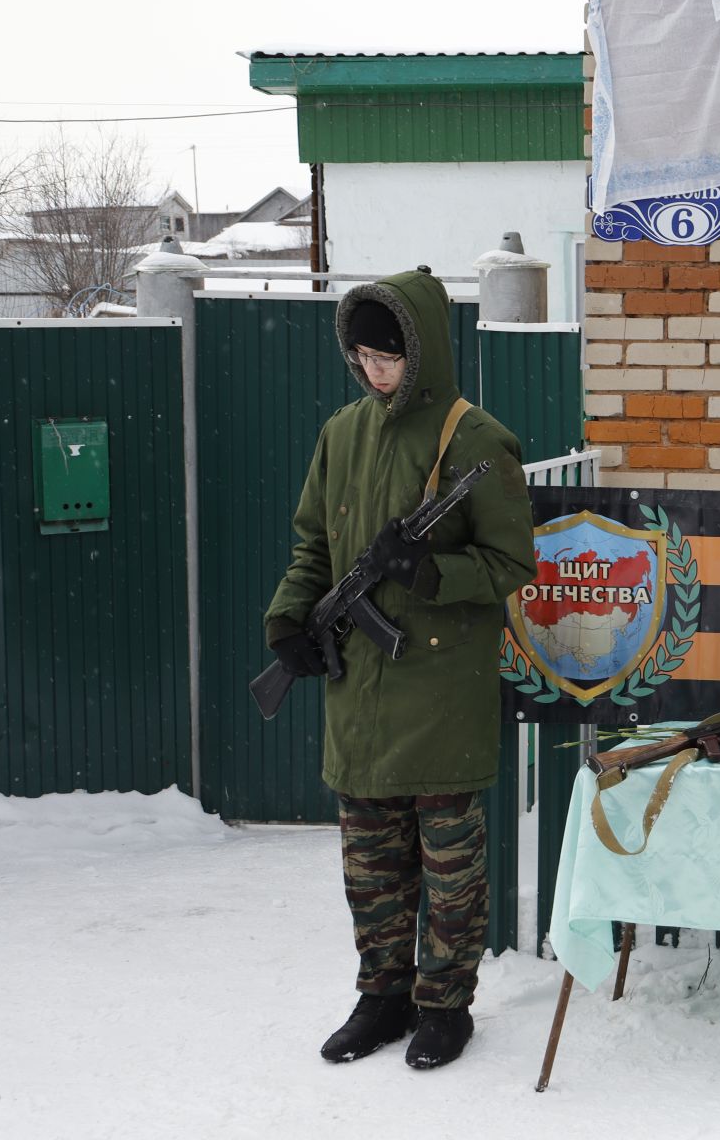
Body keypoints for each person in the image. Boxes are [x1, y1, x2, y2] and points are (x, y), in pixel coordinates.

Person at [264, 270, 537, 1070]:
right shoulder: (341, 433)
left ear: (419, 353)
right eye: (363, 357)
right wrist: (289, 618)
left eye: (388, 357)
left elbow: (512, 565)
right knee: (370, 862)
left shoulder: (477, 441)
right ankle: (381, 995)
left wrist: (429, 574)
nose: (375, 372)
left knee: (449, 864)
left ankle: (445, 1006)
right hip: (359, 685)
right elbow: (313, 545)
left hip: (439, 687)